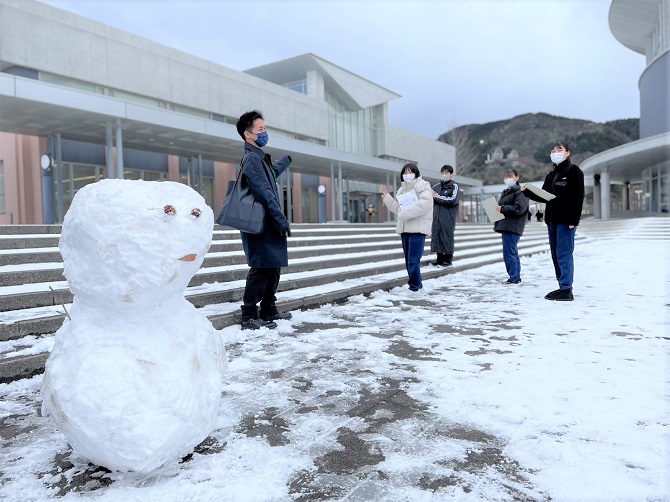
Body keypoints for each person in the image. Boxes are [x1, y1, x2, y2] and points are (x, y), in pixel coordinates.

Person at [235, 110, 293, 329]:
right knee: (261, 268)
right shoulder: (251, 159)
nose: (264, 132)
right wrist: (280, 219)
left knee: (273, 266)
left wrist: (283, 163)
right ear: (248, 134)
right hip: (260, 222)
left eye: (265, 128)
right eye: (260, 129)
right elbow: (264, 192)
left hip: (268, 221)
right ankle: (249, 313)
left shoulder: (259, 158)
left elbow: (268, 177)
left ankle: (268, 308)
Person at [521, 141, 584, 301]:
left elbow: (578, 196)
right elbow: (543, 196)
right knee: (556, 254)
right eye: (553, 150)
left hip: (566, 220)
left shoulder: (573, 171)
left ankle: (566, 289)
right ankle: (561, 285)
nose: (555, 152)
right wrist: (527, 191)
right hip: (552, 220)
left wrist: (574, 219)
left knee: (564, 253)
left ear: (567, 153)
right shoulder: (551, 175)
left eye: (559, 149)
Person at [381, 163, 433, 291]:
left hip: (418, 229)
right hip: (405, 229)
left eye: (410, 172)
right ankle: (417, 285)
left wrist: (406, 213)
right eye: (405, 173)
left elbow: (424, 204)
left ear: (416, 173)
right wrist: (387, 199)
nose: (407, 175)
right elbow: (399, 209)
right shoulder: (401, 189)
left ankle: (414, 287)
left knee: (413, 261)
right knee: (408, 261)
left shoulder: (424, 186)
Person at [494, 169, 529, 284]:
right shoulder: (507, 192)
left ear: (517, 178)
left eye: (510, 176)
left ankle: (514, 277)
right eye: (506, 176)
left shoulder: (520, 192)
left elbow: (519, 209)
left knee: (509, 252)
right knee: (512, 252)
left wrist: (503, 208)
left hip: (513, 226)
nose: (507, 179)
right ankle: (515, 276)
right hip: (507, 225)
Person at [430, 165, 459, 266]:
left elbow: (452, 200)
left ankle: (448, 259)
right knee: (437, 235)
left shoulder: (454, 186)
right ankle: (439, 258)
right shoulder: (436, 187)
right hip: (437, 216)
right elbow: (429, 199)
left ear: (451, 174)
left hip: (448, 217)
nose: (444, 175)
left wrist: (437, 197)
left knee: (447, 236)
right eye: (442, 173)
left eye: (446, 173)